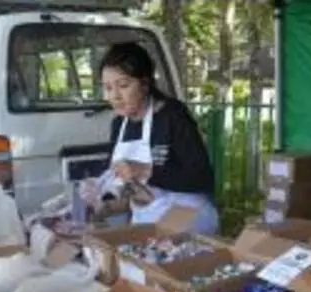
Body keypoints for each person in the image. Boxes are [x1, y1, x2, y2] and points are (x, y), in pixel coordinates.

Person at [81, 42, 218, 235]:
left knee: (158, 249)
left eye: (123, 85)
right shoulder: (119, 125)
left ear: (145, 84)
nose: (115, 96)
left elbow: (202, 178)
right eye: (108, 88)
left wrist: (146, 171)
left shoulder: (172, 115)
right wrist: (102, 200)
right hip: (145, 217)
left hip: (186, 214)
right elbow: (130, 190)